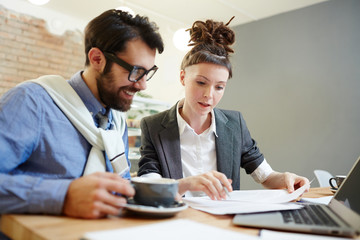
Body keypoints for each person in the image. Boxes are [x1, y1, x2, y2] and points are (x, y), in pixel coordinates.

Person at [0, 9, 164, 219]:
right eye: (135, 72)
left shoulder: (117, 123)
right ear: (97, 59)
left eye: (147, 74)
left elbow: (118, 187)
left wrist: (172, 189)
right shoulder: (31, 102)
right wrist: (63, 196)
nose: (142, 85)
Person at [137, 18, 309, 200]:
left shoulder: (234, 124)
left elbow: (265, 176)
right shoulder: (153, 126)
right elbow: (148, 181)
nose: (209, 95)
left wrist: (286, 178)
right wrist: (185, 184)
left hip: (222, 220)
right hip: (178, 218)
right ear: (183, 77)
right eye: (201, 82)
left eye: (219, 87)